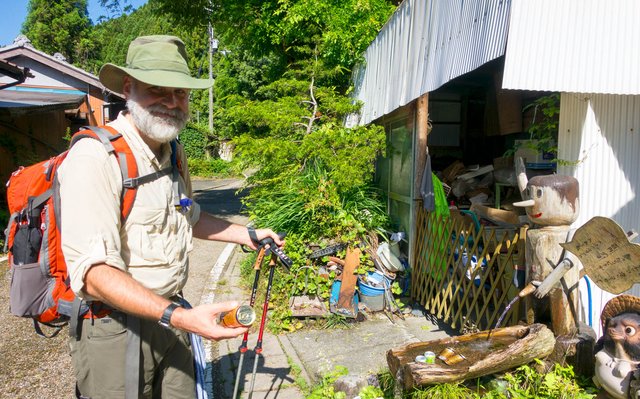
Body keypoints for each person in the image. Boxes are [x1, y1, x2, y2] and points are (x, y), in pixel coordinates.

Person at [57, 35, 282, 399]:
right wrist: (179, 317)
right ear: (128, 88)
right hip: (115, 327)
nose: (172, 102)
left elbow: (187, 216)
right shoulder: (94, 157)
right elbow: (94, 274)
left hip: (172, 315)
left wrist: (247, 234)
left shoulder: (173, 152)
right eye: (158, 90)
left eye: (181, 92)